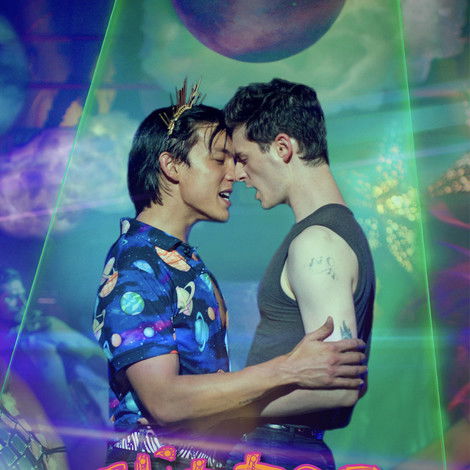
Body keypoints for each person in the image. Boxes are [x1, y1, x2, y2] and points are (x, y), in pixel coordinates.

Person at [93, 82, 368, 470]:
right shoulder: (138, 265)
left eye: (236, 159)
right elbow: (164, 401)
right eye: (220, 159)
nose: (236, 173)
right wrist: (288, 369)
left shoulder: (182, 262)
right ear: (172, 166)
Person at [223, 78, 376, 470]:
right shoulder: (327, 233)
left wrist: (227, 408)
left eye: (243, 158)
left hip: (278, 452)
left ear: (282, 148)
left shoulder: (316, 243)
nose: (237, 174)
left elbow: (340, 388)